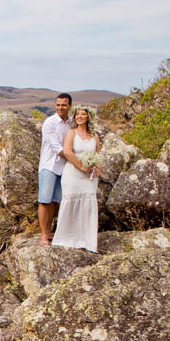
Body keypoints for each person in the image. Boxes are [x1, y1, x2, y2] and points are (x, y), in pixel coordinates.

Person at [52, 105, 101, 252]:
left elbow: (98, 153)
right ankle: (67, 238)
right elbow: (67, 152)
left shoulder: (95, 136)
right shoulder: (71, 133)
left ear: (88, 117)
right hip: (73, 174)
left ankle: (87, 240)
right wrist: (81, 166)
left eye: (83, 114)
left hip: (89, 178)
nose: (79, 117)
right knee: (71, 204)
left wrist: (96, 168)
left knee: (87, 205)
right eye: (77, 114)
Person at [38, 93, 72, 245]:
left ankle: (49, 230)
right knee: (44, 200)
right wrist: (79, 162)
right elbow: (57, 148)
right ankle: (43, 235)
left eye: (63, 105)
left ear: (69, 106)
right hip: (49, 165)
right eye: (58, 104)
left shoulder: (71, 124)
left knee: (54, 201)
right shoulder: (50, 123)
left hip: (63, 167)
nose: (60, 107)